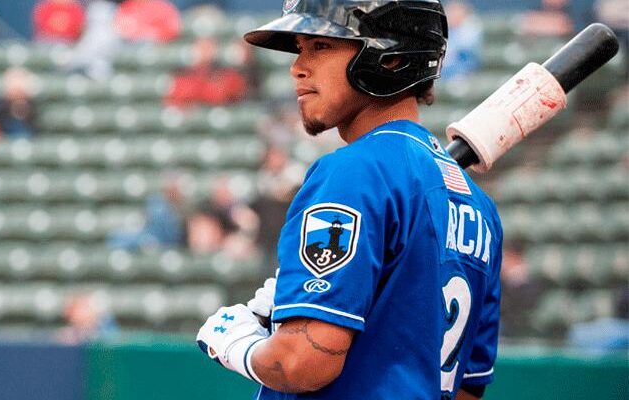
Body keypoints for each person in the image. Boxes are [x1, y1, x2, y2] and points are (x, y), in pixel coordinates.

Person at [196, 1, 504, 400]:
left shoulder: (354, 172)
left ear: (391, 58)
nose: (297, 67)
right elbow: (466, 391)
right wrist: (305, 303)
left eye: (321, 46)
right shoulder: (480, 209)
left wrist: (239, 345)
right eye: (300, 49)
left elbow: (302, 362)